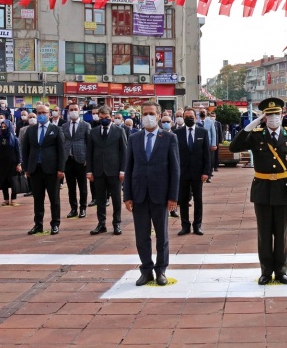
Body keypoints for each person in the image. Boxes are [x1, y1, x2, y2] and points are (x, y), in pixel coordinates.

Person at [229, 97, 287, 285]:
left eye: (276, 114)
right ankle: (265, 271)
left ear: (282, 115)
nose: (273, 118)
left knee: (280, 233)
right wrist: (250, 125)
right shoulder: (256, 135)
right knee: (264, 233)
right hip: (262, 190)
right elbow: (234, 147)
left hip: (282, 190)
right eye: (269, 115)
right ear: (264, 117)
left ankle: (281, 271)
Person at [124, 101, 180, 286]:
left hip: (160, 193)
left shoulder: (169, 138)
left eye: (151, 113)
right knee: (142, 235)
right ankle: (146, 270)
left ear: (158, 116)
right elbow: (129, 167)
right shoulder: (134, 138)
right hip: (139, 193)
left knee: (162, 235)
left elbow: (175, 169)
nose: (148, 117)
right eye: (145, 113)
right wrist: (127, 195)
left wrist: (173, 196)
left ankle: (161, 270)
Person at [23, 104, 66, 235]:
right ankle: (38, 224)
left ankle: (55, 224)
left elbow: (61, 151)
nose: (42, 115)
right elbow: (25, 150)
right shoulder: (30, 130)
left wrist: (61, 169)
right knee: (37, 199)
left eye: (44, 113)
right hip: (35, 169)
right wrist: (26, 168)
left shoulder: (56, 130)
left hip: (52, 170)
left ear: (49, 114)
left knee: (54, 199)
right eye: (39, 113)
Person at [87, 105, 127, 236]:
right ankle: (101, 224)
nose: (104, 120)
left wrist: (123, 170)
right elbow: (90, 153)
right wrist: (89, 170)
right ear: (99, 117)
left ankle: (117, 224)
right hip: (98, 171)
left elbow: (124, 152)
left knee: (116, 199)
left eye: (107, 118)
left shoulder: (119, 131)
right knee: (100, 199)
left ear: (112, 117)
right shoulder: (93, 132)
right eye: (102, 118)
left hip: (115, 171)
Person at [173, 108, 210, 236]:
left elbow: (207, 154)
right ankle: (185, 226)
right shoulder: (176, 133)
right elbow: (174, 154)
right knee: (182, 200)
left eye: (191, 116)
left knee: (198, 200)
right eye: (186, 116)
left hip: (198, 172)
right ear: (183, 118)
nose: (189, 118)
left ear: (195, 117)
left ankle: (197, 225)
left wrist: (206, 172)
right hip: (182, 172)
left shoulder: (203, 132)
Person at [62, 103, 91, 219]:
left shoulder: (86, 125)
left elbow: (89, 144)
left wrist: (88, 159)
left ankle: (83, 208)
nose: (73, 111)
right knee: (71, 186)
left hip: (81, 159)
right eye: (71, 110)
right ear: (68, 112)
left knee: (83, 186)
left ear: (79, 111)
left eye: (75, 109)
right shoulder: (64, 126)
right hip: (68, 160)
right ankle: (73, 208)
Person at [0, 119, 22, 206]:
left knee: (13, 182)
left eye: (5, 127)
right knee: (3, 182)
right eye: (1, 127)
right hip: (2, 164)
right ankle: (5, 199)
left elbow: (18, 152)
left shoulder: (14, 139)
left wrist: (19, 163)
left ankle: (13, 199)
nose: (3, 128)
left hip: (13, 164)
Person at [197, 110, 217, 184]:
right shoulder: (196, 122)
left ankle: (209, 175)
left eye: (203, 111)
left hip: (208, 144)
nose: (202, 112)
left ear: (206, 113)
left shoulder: (210, 122)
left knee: (209, 160)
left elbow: (213, 133)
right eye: (201, 111)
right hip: (199, 144)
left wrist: (213, 144)